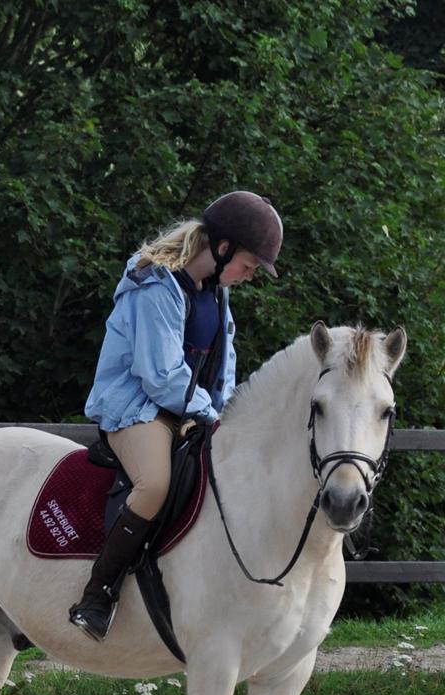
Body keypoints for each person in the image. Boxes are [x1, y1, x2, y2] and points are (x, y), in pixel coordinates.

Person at [68, 190, 284, 641]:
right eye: (248, 265)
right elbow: (159, 374)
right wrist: (210, 416)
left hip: (190, 412)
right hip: (136, 408)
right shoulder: (155, 286)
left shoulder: (217, 293)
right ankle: (97, 596)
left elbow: (223, 368)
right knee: (155, 484)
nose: (249, 276)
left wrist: (227, 415)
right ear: (222, 248)